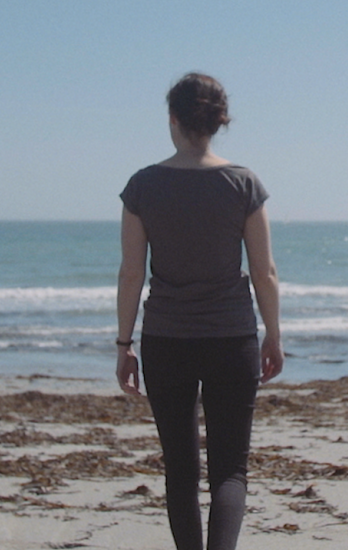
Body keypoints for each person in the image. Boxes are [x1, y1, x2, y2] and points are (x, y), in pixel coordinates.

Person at [115, 72, 283, 550]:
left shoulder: (143, 186)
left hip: (166, 341)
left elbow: (131, 273)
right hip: (232, 339)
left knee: (181, 471)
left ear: (173, 119)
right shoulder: (243, 184)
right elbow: (265, 272)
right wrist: (273, 335)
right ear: (217, 122)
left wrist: (124, 344)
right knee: (230, 471)